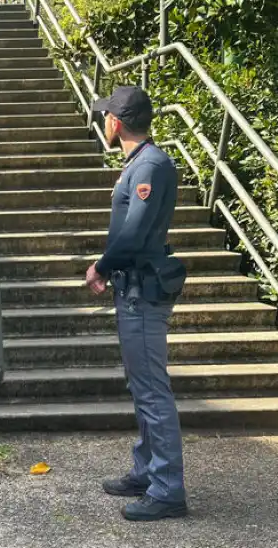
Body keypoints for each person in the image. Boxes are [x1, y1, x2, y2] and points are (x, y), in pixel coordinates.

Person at [84, 86, 188, 522]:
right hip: (135, 289)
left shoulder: (149, 165)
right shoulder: (142, 164)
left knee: (151, 391)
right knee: (142, 386)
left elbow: (135, 233)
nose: (104, 121)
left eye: (106, 115)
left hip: (142, 292)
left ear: (116, 122)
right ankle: (147, 471)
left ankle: (167, 488)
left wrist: (101, 267)